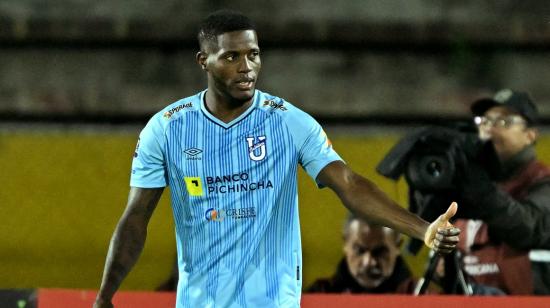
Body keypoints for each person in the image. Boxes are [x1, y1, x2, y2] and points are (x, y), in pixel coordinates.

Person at [93, 10, 460, 308]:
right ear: (204, 61)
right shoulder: (166, 129)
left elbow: (348, 183)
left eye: (253, 54)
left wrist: (422, 229)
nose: (246, 67)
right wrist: (105, 295)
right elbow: (135, 218)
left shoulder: (288, 122)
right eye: (231, 56)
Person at [452, 89, 550, 295]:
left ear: (530, 135)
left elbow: (529, 228)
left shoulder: (543, 182)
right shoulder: (468, 184)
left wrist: (481, 189)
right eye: (485, 121)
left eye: (503, 122)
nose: (490, 129)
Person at [307, 214, 416, 294]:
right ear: (345, 244)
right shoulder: (319, 293)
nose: (368, 262)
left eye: (379, 251)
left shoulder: (421, 294)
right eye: (360, 250)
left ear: (398, 246)